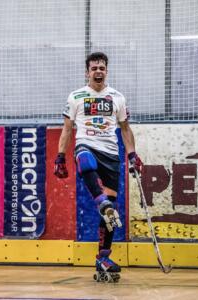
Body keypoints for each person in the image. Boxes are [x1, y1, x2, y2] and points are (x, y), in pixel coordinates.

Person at [54, 52, 143, 279]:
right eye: (94, 68)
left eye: (101, 68)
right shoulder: (76, 96)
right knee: (85, 159)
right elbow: (67, 129)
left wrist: (132, 154)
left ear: (107, 71)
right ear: (87, 72)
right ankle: (100, 200)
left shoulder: (117, 98)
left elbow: (125, 129)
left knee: (110, 213)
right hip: (87, 145)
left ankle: (102, 257)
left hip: (111, 155)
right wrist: (60, 157)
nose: (98, 72)